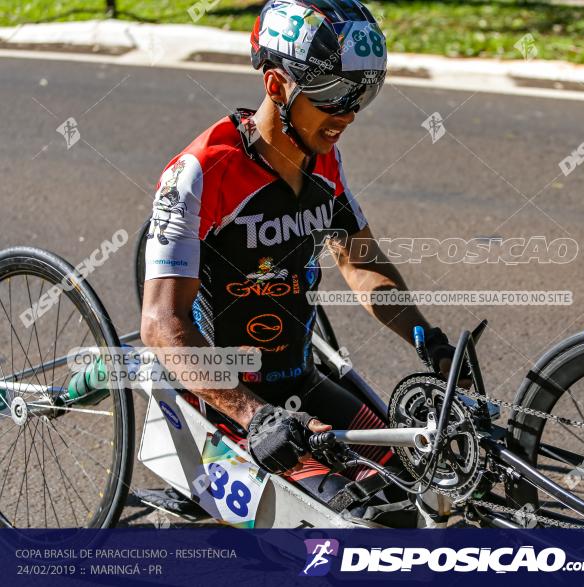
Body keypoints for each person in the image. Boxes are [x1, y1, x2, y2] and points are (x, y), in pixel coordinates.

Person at [138, 0, 459, 522]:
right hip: (229, 402)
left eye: (362, 93)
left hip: (299, 381)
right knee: (368, 518)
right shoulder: (200, 172)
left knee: (423, 480)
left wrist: (431, 341)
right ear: (275, 84)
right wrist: (251, 413)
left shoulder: (323, 159)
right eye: (332, 94)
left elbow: (362, 265)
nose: (348, 113)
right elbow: (160, 325)